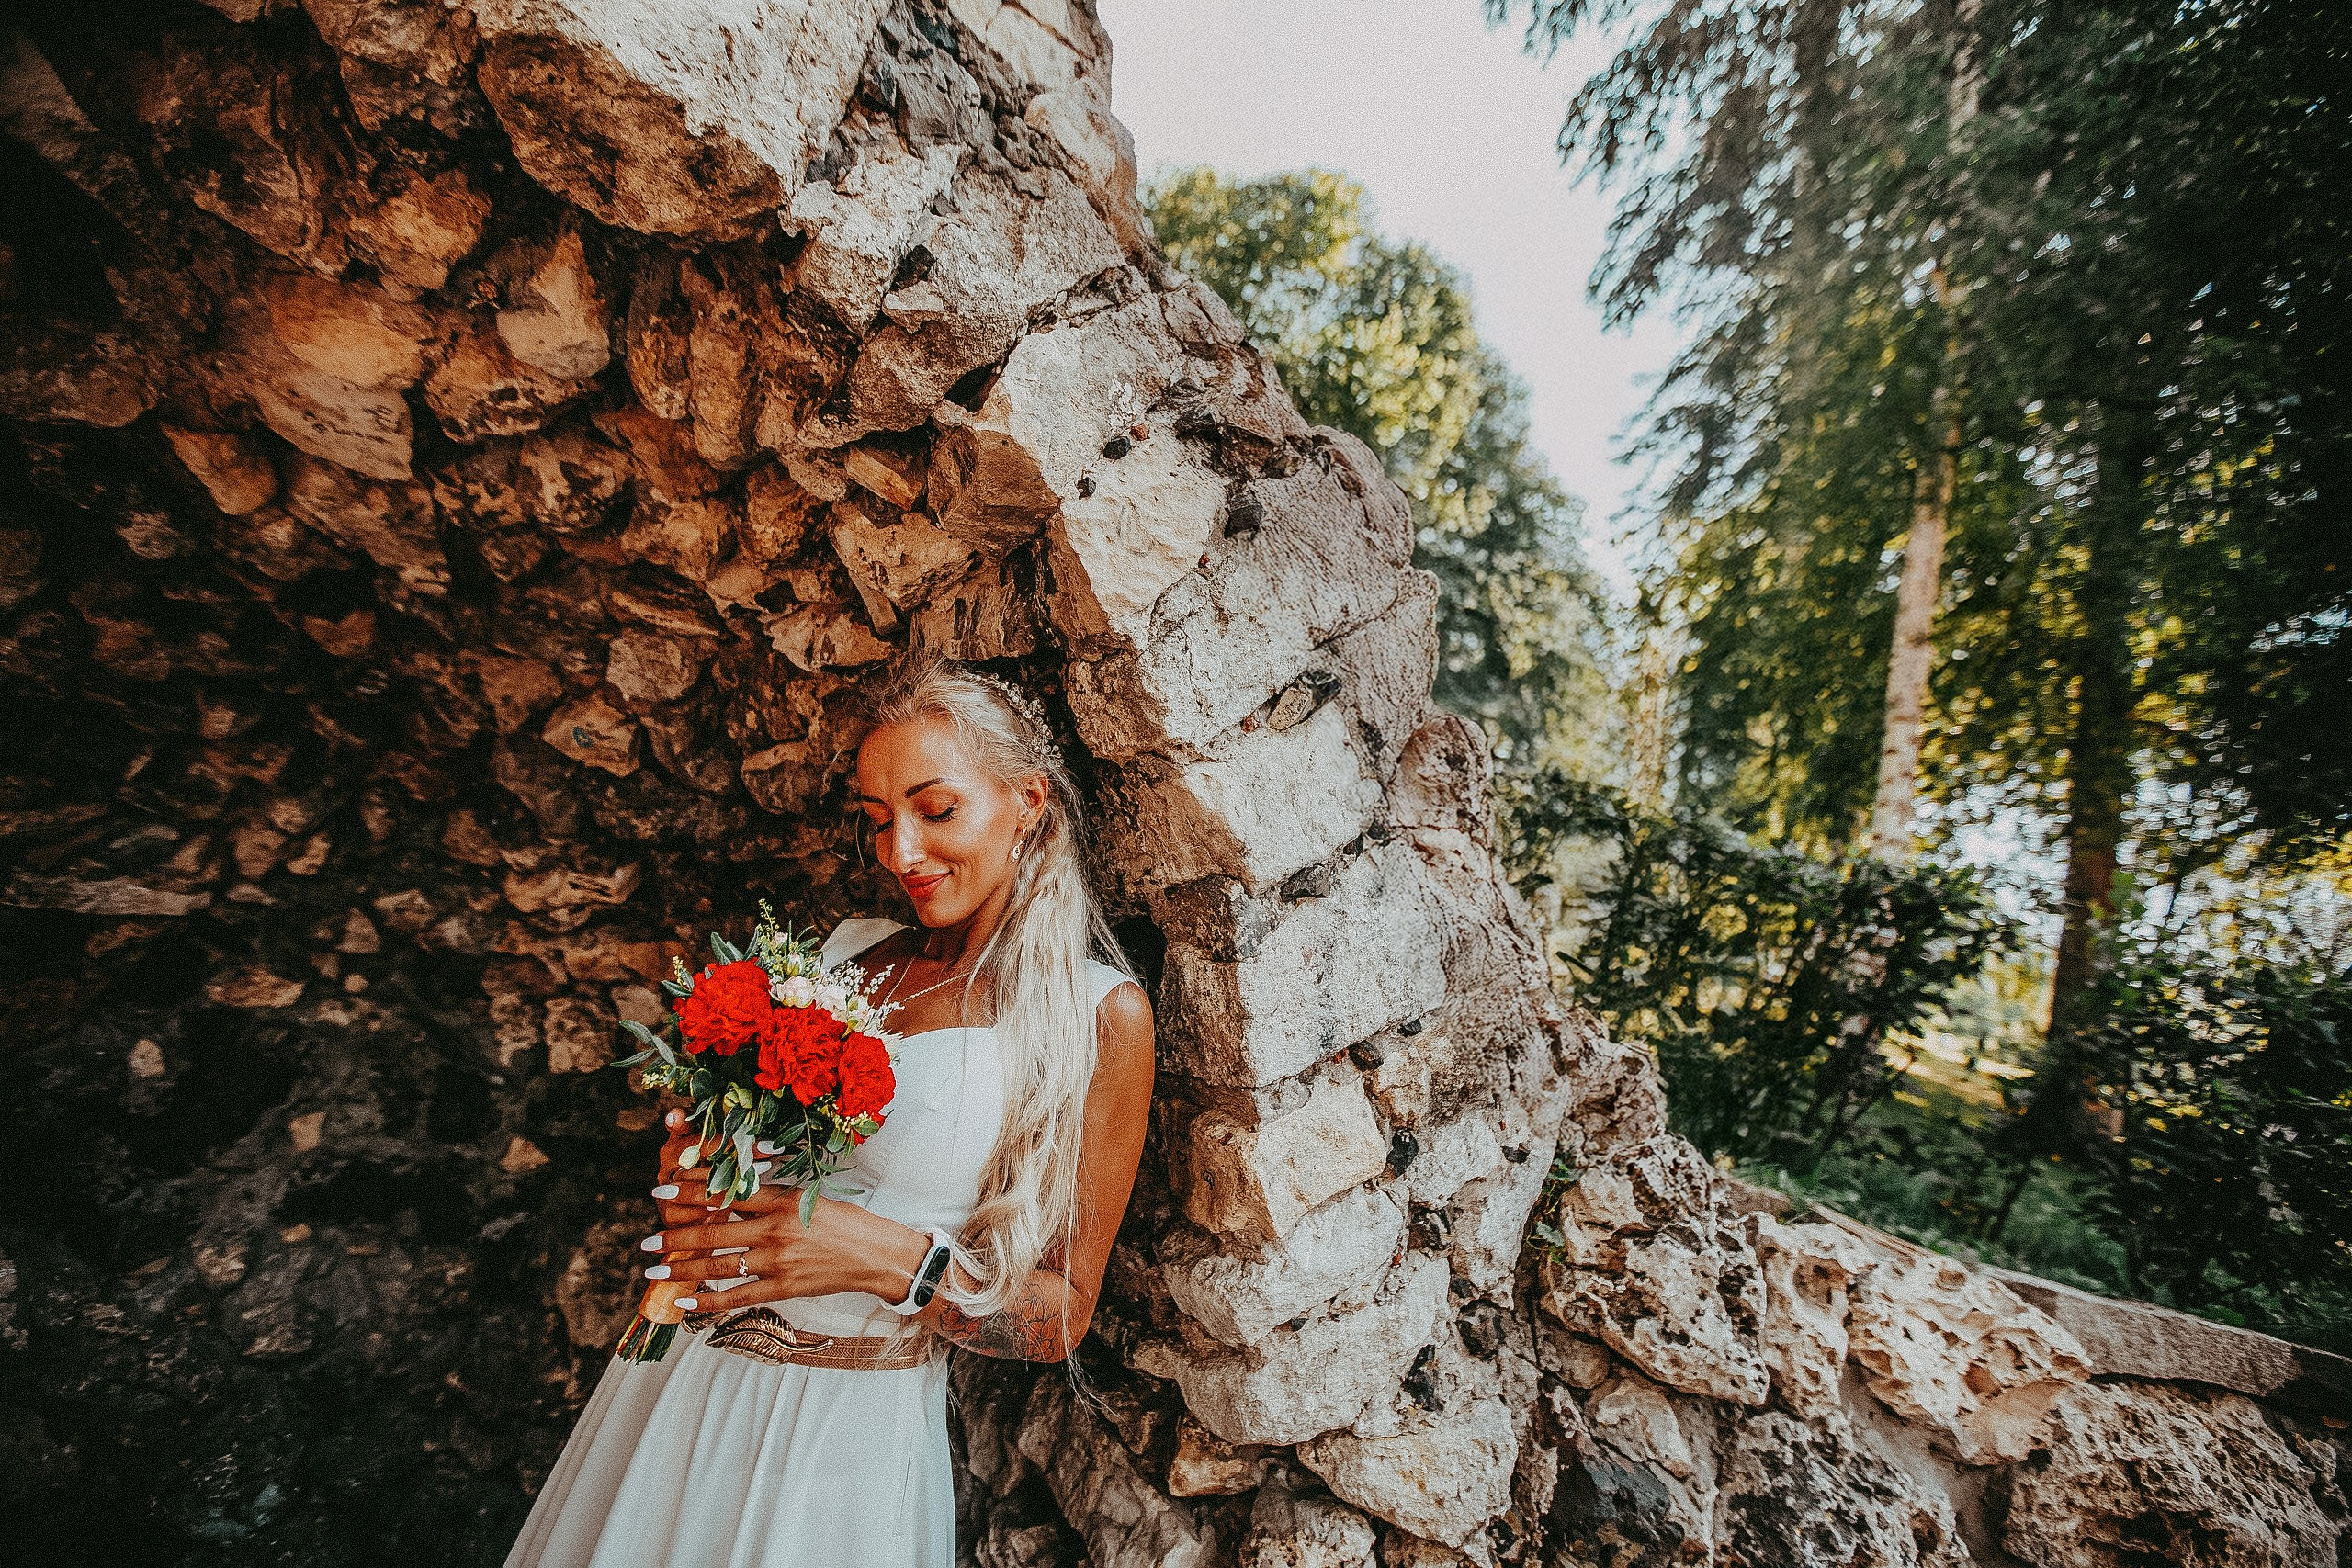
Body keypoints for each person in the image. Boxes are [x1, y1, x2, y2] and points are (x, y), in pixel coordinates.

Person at [503, 655, 1155, 1568]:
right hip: (684, 1382)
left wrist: (887, 1260)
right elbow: (748, 1170)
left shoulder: (1096, 1015)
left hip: (842, 1431)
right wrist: (703, 1163)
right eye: (878, 820)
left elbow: (1059, 1317)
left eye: (936, 810)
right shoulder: (847, 953)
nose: (901, 854)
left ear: (1029, 801)